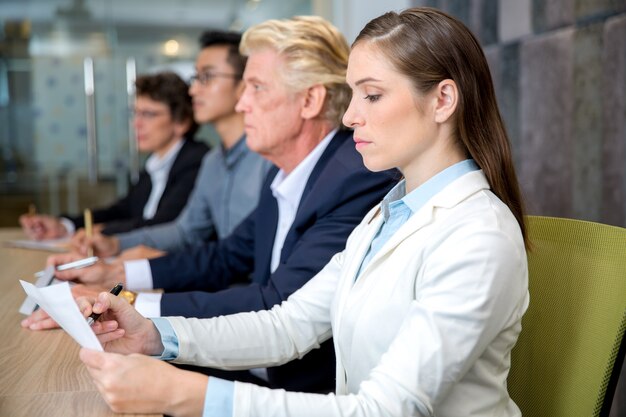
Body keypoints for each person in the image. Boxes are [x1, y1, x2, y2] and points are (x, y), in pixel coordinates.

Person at [73, 7, 530, 416]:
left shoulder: (478, 235)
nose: (349, 116)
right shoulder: (386, 216)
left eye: (371, 95)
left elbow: (386, 409)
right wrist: (154, 334)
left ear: (443, 101)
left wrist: (189, 396)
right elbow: (287, 325)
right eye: (352, 95)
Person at [24, 16, 398, 394]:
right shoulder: (285, 172)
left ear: (310, 100)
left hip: (299, 390)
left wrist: (129, 301)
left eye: (255, 88)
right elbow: (227, 255)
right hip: (256, 364)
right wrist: (118, 280)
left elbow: (275, 303)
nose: (242, 103)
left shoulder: (354, 178)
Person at [70, 31, 272, 260]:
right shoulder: (213, 162)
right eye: (195, 78)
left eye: (206, 77)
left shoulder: (270, 159)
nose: (193, 90)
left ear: (244, 85)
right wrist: (116, 243)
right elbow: (186, 232)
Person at [19, 72, 209, 239]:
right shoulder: (156, 162)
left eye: (149, 114)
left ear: (182, 121)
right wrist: (65, 225)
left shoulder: (196, 161)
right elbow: (123, 210)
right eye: (135, 114)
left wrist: (103, 231)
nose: (137, 124)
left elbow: (164, 225)